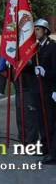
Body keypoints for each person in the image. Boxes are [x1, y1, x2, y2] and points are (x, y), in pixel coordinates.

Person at [32, 19, 56, 153]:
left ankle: (52, 149)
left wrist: (45, 73)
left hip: (48, 90)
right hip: (38, 89)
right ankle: (45, 146)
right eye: (34, 30)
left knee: (50, 120)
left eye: (38, 29)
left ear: (45, 31)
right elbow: (32, 67)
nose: (35, 32)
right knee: (41, 120)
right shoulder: (36, 47)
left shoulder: (52, 47)